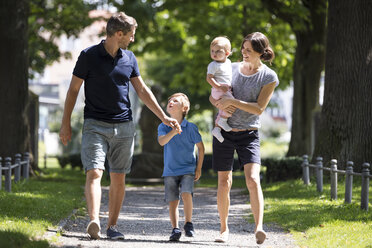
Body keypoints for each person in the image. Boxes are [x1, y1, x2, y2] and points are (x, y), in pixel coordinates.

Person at [59, 12, 181, 240]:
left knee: (118, 177)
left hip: (124, 127)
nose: (133, 39)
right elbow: (74, 89)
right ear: (118, 33)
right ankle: (94, 220)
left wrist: (164, 117)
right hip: (95, 124)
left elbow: (142, 90)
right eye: (131, 35)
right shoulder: (88, 56)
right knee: (94, 172)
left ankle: (112, 227)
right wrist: (65, 123)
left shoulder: (129, 58)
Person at [210, 32, 279, 245]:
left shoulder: (269, 77)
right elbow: (215, 94)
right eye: (243, 48)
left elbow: (259, 108)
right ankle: (223, 229)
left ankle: (259, 227)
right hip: (224, 132)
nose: (244, 53)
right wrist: (217, 102)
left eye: (249, 50)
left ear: (260, 52)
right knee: (224, 182)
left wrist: (234, 101)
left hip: (249, 133)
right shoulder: (229, 68)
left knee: (253, 179)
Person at [157, 93, 205, 241]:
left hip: (188, 169)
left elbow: (201, 148)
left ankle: (188, 224)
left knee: (186, 194)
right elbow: (162, 142)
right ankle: (175, 229)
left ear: (184, 108)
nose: (170, 101)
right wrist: (173, 130)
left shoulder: (191, 128)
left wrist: (198, 168)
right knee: (173, 200)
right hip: (170, 170)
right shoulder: (163, 126)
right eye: (169, 100)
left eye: (175, 100)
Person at [206, 36, 235, 143]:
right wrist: (218, 86)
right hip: (218, 89)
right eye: (212, 51)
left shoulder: (228, 63)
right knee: (231, 104)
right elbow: (209, 78)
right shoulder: (213, 65)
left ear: (227, 53)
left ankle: (217, 128)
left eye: (218, 51)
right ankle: (222, 122)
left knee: (225, 109)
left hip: (225, 89)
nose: (214, 53)